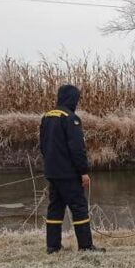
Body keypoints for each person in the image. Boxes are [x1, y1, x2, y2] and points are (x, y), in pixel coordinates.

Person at [40, 84, 105, 254]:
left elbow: (43, 146)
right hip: (69, 174)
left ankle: (52, 246)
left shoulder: (47, 117)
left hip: (52, 172)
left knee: (55, 208)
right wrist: (83, 172)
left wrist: (51, 165)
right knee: (79, 208)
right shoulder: (71, 118)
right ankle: (86, 246)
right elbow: (77, 149)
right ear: (72, 99)